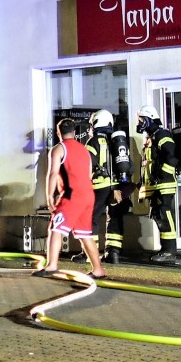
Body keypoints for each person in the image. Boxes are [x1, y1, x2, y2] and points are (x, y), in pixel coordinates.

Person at [33, 118, 106, 279]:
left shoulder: (58, 149)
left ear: (59, 132)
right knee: (85, 234)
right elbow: (88, 174)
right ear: (74, 132)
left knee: (55, 228)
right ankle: (98, 270)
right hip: (88, 195)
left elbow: (52, 174)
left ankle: (52, 265)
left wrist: (50, 196)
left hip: (72, 196)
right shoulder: (84, 150)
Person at [73, 109, 126, 264]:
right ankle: (113, 253)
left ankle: (89, 253)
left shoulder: (94, 141)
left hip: (100, 186)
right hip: (117, 186)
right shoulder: (118, 141)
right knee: (115, 218)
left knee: (91, 218)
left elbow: (87, 164)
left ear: (96, 123)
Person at [136, 104, 179, 263]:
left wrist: (162, 175)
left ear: (149, 119)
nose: (139, 123)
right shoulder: (152, 137)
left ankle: (169, 251)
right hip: (156, 185)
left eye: (141, 120)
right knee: (158, 215)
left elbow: (172, 156)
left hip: (164, 184)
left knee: (164, 214)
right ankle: (165, 249)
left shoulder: (161, 134)